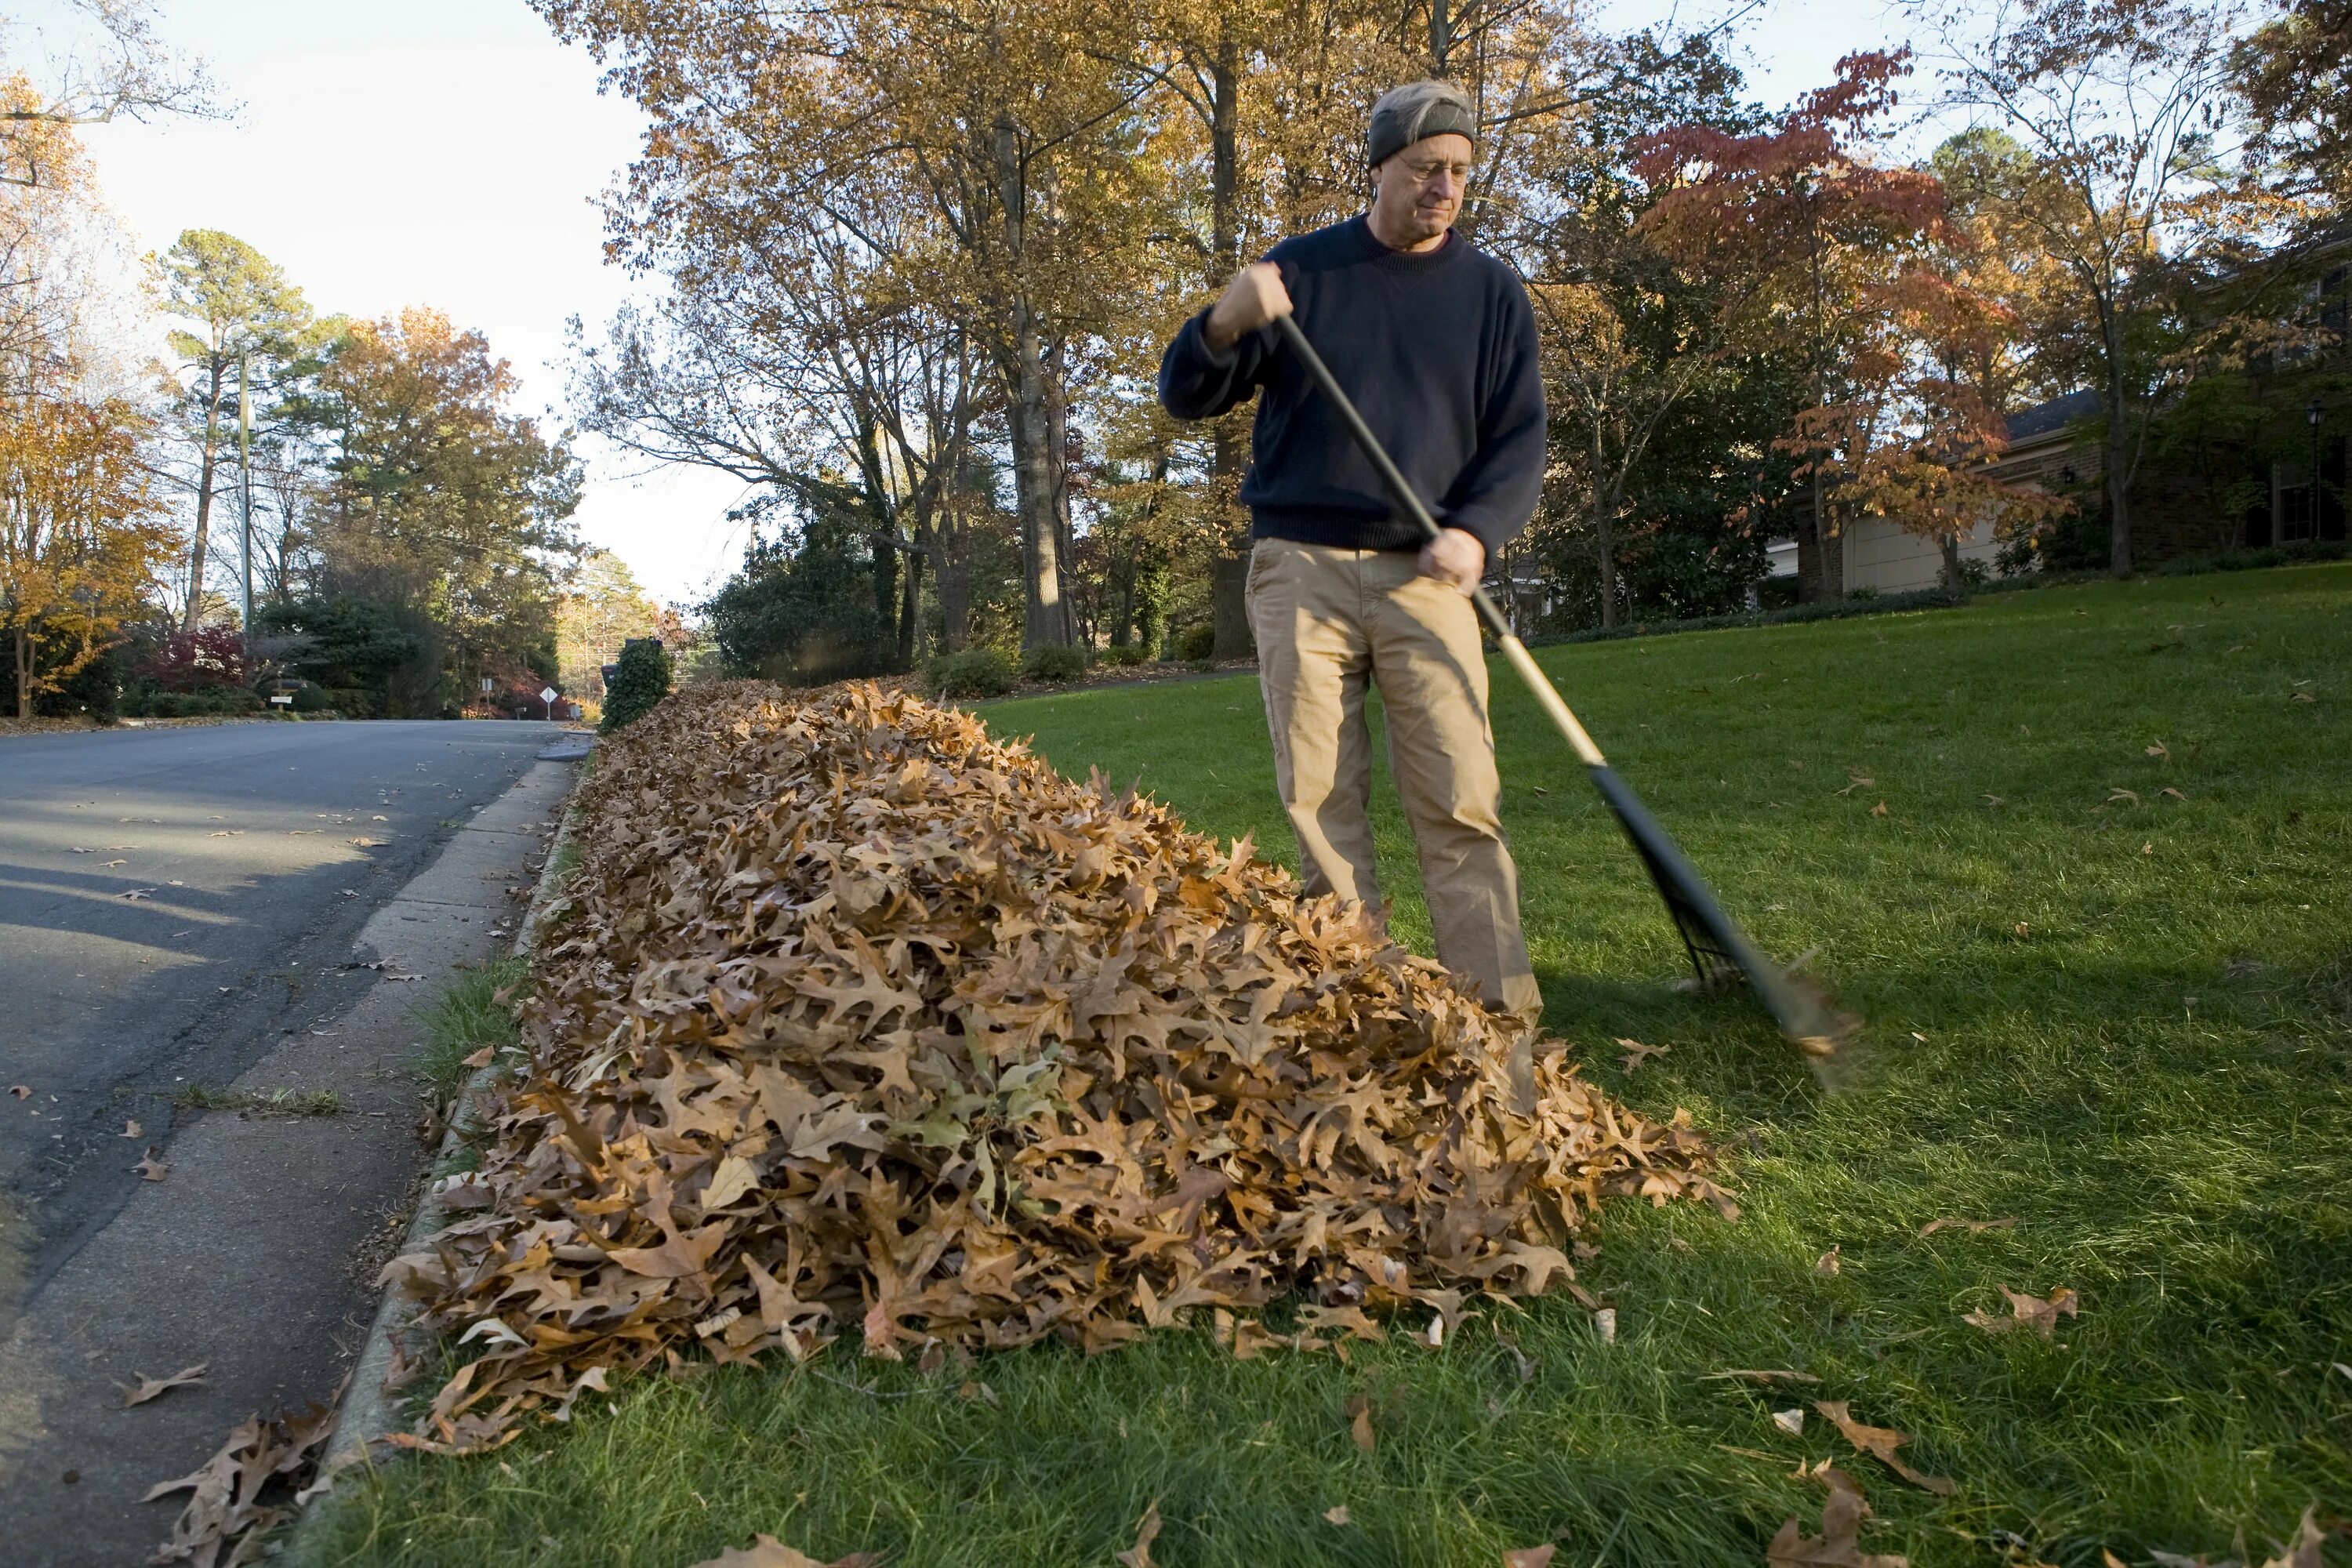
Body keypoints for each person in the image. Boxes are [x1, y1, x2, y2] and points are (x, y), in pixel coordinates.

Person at [1157, 78, 1546, 1023]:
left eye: (1458, 171)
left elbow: (1519, 441)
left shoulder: (1493, 294)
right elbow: (1185, 394)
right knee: (1323, 808)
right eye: (1424, 170)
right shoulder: (1302, 275)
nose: (1443, 188)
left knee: (1461, 802)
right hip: (1302, 567)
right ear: (1380, 169)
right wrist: (1223, 320)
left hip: (1428, 577)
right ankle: (1356, 1011)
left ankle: (1498, 1026)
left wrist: (1476, 531)